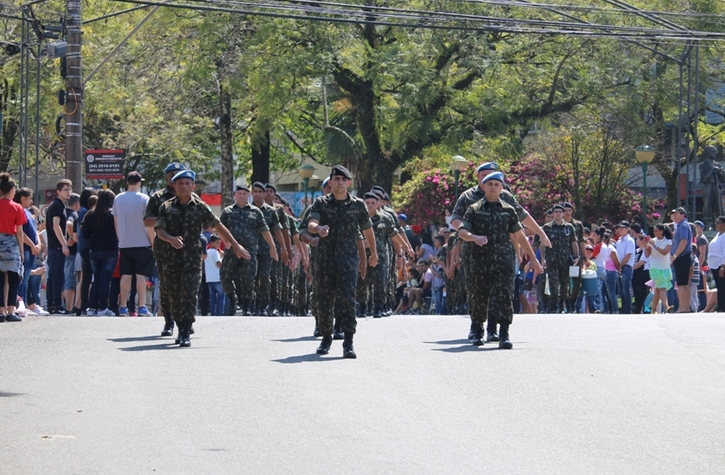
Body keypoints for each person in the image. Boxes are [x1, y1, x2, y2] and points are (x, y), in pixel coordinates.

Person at [154, 170, 249, 346]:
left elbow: (218, 226)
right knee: (174, 296)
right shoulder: (166, 207)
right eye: (180, 183)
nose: (183, 186)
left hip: (192, 258)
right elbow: (159, 230)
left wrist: (236, 245)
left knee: (190, 293)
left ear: (193, 186)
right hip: (171, 259)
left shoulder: (201, 206)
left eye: (187, 183)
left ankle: (185, 331)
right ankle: (179, 324)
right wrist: (170, 239)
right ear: (174, 186)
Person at [457, 172, 543, 348]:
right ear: (484, 186)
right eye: (490, 184)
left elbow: (519, 235)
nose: (493, 187)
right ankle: (478, 330)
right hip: (480, 261)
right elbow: (462, 232)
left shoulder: (508, 210)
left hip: (504, 261)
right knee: (480, 296)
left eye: (497, 184)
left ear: (502, 188)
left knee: (504, 296)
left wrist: (533, 259)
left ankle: (504, 334)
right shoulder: (473, 209)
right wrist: (474, 237)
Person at [306, 165, 378, 358]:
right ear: (330, 182)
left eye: (343, 179)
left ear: (348, 183)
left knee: (347, 300)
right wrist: (318, 229)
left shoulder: (358, 205)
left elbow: (367, 230)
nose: (339, 182)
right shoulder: (321, 203)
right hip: (325, 260)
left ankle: (348, 342)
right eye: (336, 179)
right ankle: (326, 338)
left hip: (348, 260)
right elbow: (311, 223)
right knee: (324, 300)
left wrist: (373, 253)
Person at [219, 184, 277, 316]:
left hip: (249, 252)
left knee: (248, 279)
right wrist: (225, 241)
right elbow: (220, 228)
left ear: (248, 195)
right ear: (235, 195)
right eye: (239, 193)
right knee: (225, 275)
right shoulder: (227, 211)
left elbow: (265, 230)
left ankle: (246, 306)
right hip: (231, 251)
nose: (241, 196)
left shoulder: (255, 212)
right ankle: (232, 298)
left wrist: (272, 246)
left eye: (244, 194)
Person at [145, 162, 186, 335]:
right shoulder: (158, 197)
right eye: (171, 174)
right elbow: (147, 220)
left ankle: (185, 320)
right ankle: (168, 321)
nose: (174, 177)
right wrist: (164, 219)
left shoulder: (189, 196)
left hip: (186, 247)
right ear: (166, 177)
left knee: (187, 284)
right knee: (167, 285)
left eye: (178, 174)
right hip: (164, 248)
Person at [113, 171, 155, 316]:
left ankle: (122, 306)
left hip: (125, 242)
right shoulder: (144, 199)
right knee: (141, 275)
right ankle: (142, 306)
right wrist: (153, 242)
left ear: (127, 182)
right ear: (139, 182)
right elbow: (149, 224)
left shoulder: (118, 198)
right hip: (142, 242)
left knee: (126, 275)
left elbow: (116, 222)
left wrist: (121, 238)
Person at [535, 204, 578, 314]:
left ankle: (562, 306)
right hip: (552, 261)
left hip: (565, 261)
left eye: (560, 212)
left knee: (565, 284)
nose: (558, 214)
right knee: (553, 283)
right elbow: (542, 245)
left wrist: (576, 256)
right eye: (556, 212)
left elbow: (574, 243)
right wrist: (543, 259)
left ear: (563, 214)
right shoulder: (547, 228)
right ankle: (553, 306)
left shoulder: (569, 227)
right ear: (553, 214)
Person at [82, 190, 118, 317]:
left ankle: (92, 307)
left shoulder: (90, 214)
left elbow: (84, 232)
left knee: (96, 279)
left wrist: (91, 241)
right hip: (110, 249)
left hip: (94, 250)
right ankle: (103, 307)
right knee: (105, 280)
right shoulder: (112, 215)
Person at [0, 173, 26, 322]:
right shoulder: (17, 207)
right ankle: (11, 310)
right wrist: (21, 251)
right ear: (10, 190)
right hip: (11, 244)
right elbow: (20, 232)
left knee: (0, 279)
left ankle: (0, 311)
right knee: (13, 278)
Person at [46, 179, 73, 314]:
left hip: (53, 247)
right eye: (65, 190)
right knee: (57, 277)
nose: (68, 192)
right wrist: (64, 245)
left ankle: (51, 304)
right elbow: (56, 226)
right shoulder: (57, 206)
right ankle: (57, 305)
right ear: (58, 191)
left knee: (52, 276)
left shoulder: (57, 205)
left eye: (69, 189)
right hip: (56, 247)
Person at [13, 188, 39, 313]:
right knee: (22, 278)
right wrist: (32, 245)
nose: (31, 201)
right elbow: (20, 232)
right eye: (30, 198)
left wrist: (38, 244)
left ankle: (25, 304)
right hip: (26, 248)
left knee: (26, 278)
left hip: (32, 248)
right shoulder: (19, 211)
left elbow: (34, 230)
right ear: (23, 198)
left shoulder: (27, 212)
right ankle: (20, 304)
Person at [645, 224, 673, 314]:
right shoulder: (652, 241)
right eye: (654, 231)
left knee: (657, 290)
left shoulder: (668, 241)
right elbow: (647, 255)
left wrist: (655, 246)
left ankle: (653, 309)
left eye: (656, 230)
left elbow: (664, 252)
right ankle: (667, 307)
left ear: (662, 231)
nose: (654, 232)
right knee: (662, 289)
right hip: (655, 269)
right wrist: (646, 246)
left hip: (665, 268)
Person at [669, 207, 693, 312]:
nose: (674, 216)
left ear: (683, 214)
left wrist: (675, 255)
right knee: (683, 283)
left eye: (677, 214)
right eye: (673, 214)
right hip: (681, 257)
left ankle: (683, 307)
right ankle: (685, 307)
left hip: (682, 257)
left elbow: (683, 242)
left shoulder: (683, 225)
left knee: (682, 284)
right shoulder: (681, 226)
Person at [613, 221, 635, 314]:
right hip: (620, 266)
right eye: (620, 228)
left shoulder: (629, 240)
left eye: (623, 228)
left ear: (627, 229)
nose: (620, 230)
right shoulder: (619, 241)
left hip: (626, 266)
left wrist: (620, 266)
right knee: (621, 290)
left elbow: (627, 256)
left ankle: (628, 310)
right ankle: (623, 309)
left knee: (626, 289)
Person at [698, 145, 723, 226]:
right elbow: (704, 179)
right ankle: (707, 221)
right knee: (707, 203)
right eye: (713, 152)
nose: (715, 153)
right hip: (708, 186)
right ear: (708, 153)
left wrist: (719, 172)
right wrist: (712, 170)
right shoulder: (703, 165)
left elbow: (723, 178)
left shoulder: (718, 164)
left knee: (718, 205)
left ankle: (720, 221)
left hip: (716, 185)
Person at [707, 216, 725, 313]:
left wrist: (723, 266)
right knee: (719, 287)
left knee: (723, 286)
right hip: (714, 265)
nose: (716, 224)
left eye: (718, 223)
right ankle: (720, 306)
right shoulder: (718, 235)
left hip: (720, 265)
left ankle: (723, 307)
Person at [204, 235, 225, 316]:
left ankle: (213, 313)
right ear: (212, 243)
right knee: (221, 295)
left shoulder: (207, 252)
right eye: (217, 243)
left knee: (212, 297)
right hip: (217, 277)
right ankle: (220, 313)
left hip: (209, 278)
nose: (219, 245)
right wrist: (222, 256)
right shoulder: (215, 252)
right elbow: (218, 264)